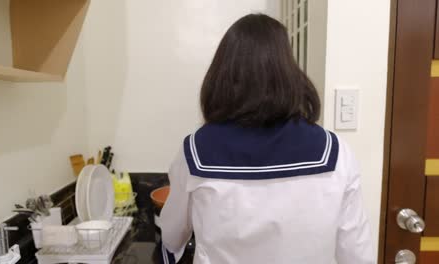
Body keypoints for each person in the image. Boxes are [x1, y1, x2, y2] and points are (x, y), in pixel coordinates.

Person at [159, 14, 374, 264]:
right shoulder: (336, 154)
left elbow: (172, 237)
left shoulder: (196, 153)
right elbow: (357, 255)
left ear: (222, 77)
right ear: (289, 72)